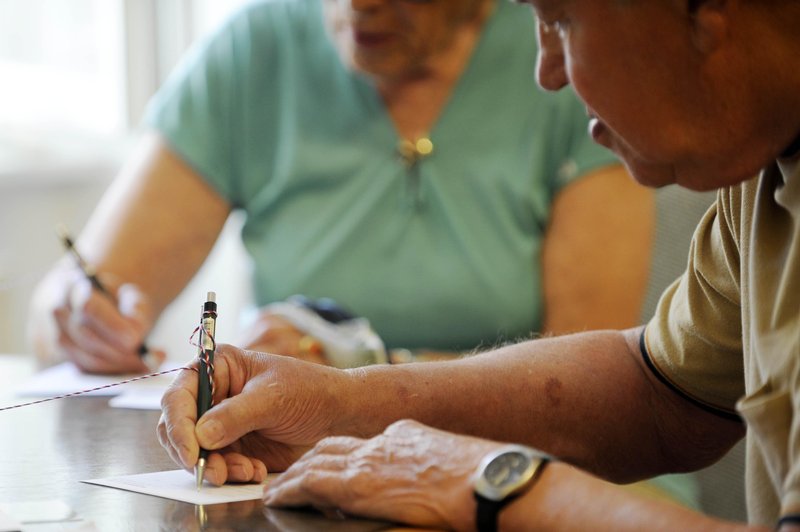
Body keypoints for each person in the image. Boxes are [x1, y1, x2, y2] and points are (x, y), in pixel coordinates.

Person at [156, 0, 800, 530]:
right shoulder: (761, 172)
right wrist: (337, 403)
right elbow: (659, 392)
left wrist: (496, 484)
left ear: (712, 16)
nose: (549, 72)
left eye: (564, 22)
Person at [28, 0, 652, 373]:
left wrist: (357, 378)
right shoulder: (257, 52)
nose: (358, 3)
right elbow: (77, 301)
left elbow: (587, 378)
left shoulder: (566, 52)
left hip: (539, 475)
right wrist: (78, 318)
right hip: (316, 476)